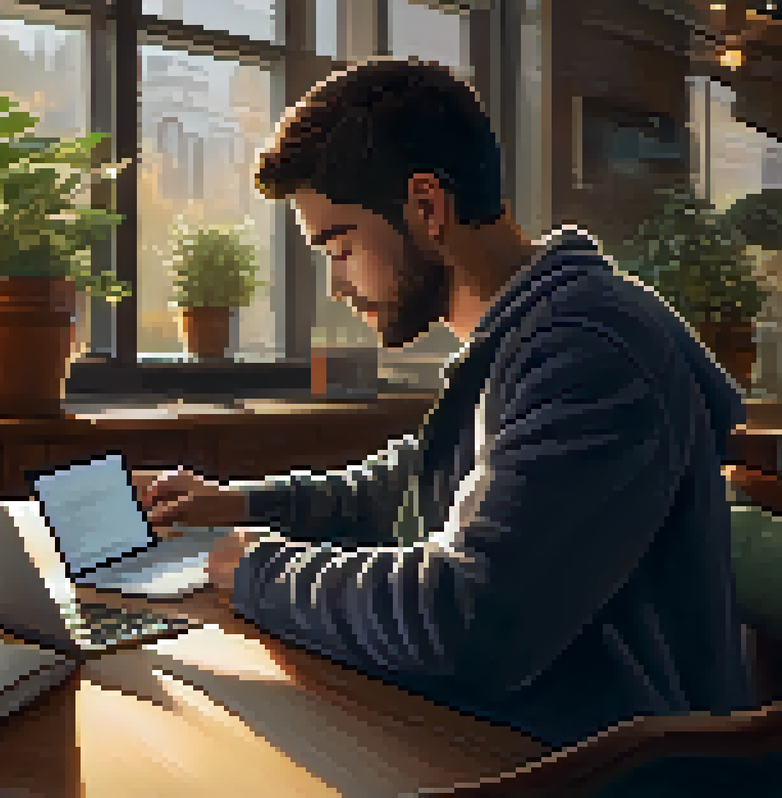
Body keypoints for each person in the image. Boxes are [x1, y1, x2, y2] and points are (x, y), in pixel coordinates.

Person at [135, 58, 757, 749]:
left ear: (426, 207)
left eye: (339, 248)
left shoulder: (589, 351)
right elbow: (413, 482)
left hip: (604, 772)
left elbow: (468, 620)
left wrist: (255, 568)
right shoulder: (527, 334)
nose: (338, 286)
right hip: (512, 744)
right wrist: (239, 504)